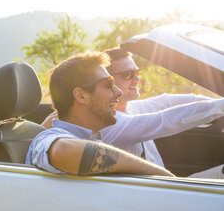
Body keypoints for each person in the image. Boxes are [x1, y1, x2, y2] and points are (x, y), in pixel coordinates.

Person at [26, 51, 175, 176]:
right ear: (81, 96)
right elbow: (63, 150)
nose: (118, 92)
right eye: (108, 85)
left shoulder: (94, 139)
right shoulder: (48, 138)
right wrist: (164, 177)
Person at [99, 47, 224, 178]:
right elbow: (166, 120)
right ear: (109, 81)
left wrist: (218, 104)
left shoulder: (132, 108)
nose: (137, 79)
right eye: (128, 75)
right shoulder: (111, 124)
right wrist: (219, 107)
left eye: (137, 72)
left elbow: (167, 101)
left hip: (166, 185)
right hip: (156, 194)